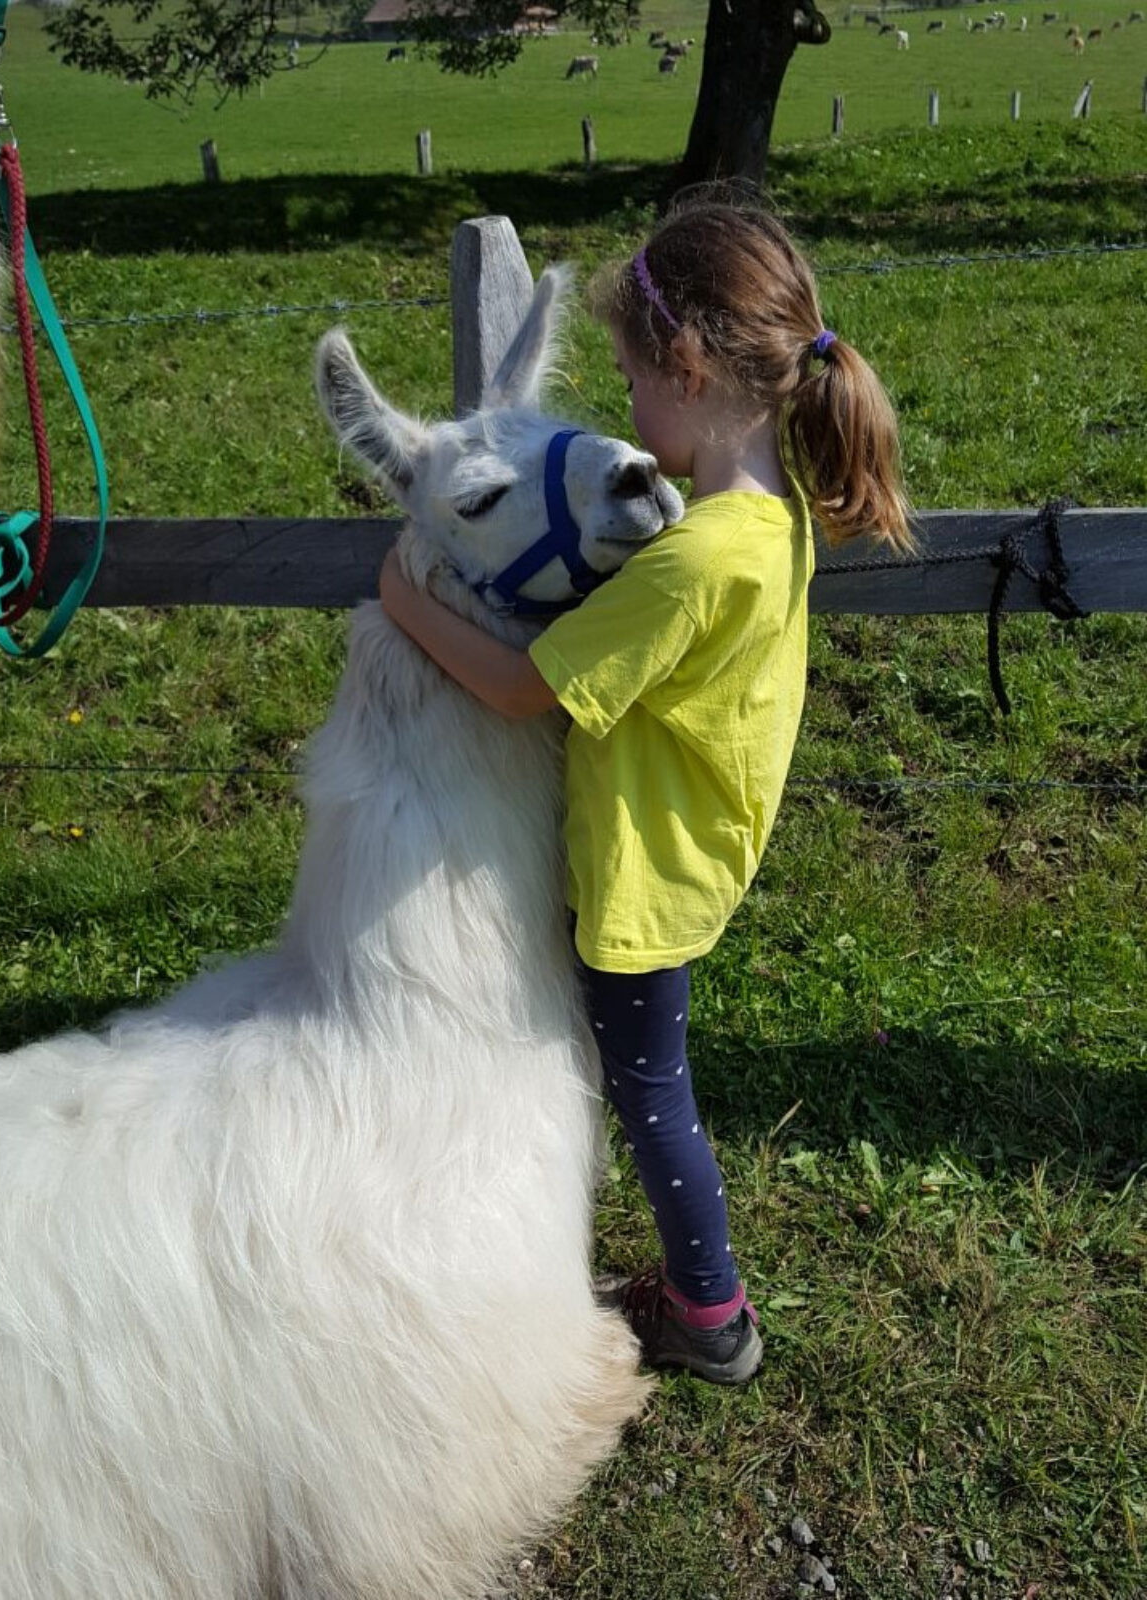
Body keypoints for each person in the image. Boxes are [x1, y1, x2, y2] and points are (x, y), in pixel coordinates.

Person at [378, 194, 912, 1384]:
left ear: (687, 365)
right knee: (651, 1077)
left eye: (628, 380)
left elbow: (521, 688)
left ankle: (708, 1313)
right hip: (696, 843)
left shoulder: (690, 561)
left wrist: (406, 599)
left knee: (649, 1094)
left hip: (641, 877)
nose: (625, 411)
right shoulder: (771, 518)